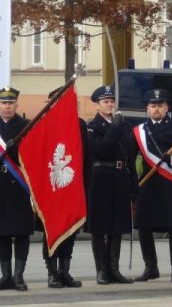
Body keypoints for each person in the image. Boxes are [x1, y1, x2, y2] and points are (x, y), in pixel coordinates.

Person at [133, 89, 172, 283]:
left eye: (161, 105)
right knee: (144, 226)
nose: (157, 109)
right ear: (147, 109)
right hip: (148, 183)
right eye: (153, 106)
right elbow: (132, 156)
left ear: (167, 108)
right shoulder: (139, 130)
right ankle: (150, 267)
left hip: (170, 182)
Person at [36, 87, 88, 288]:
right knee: (51, 230)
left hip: (72, 186)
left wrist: (86, 186)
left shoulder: (79, 125)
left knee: (70, 229)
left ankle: (64, 271)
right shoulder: (42, 125)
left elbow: (86, 156)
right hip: (50, 188)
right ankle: (51, 272)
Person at [87, 86, 137, 285]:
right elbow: (103, 150)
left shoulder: (124, 126)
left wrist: (134, 183)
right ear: (98, 105)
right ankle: (101, 270)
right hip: (101, 178)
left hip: (120, 176)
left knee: (117, 226)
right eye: (105, 101)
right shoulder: (93, 126)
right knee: (100, 227)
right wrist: (115, 127)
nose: (110, 104)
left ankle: (113, 269)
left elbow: (130, 156)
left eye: (111, 101)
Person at [0, 87, 33, 291]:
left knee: (22, 232)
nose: (7, 106)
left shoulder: (25, 126)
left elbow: (32, 155)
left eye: (11, 103)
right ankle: (6, 277)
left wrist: (16, 148)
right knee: (1, 233)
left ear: (16, 105)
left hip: (19, 186)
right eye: (4, 103)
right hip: (0, 187)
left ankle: (18, 276)